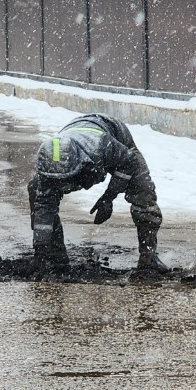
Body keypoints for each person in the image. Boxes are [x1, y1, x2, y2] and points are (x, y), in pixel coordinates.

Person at [28, 113, 168, 274]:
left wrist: (108, 198)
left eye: (66, 180)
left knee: (143, 192)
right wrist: (40, 251)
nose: (62, 186)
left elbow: (129, 163)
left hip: (116, 137)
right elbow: (44, 210)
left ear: (80, 164)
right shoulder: (47, 169)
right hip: (77, 131)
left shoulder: (101, 147)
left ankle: (148, 257)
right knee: (35, 190)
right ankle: (56, 257)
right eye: (57, 182)